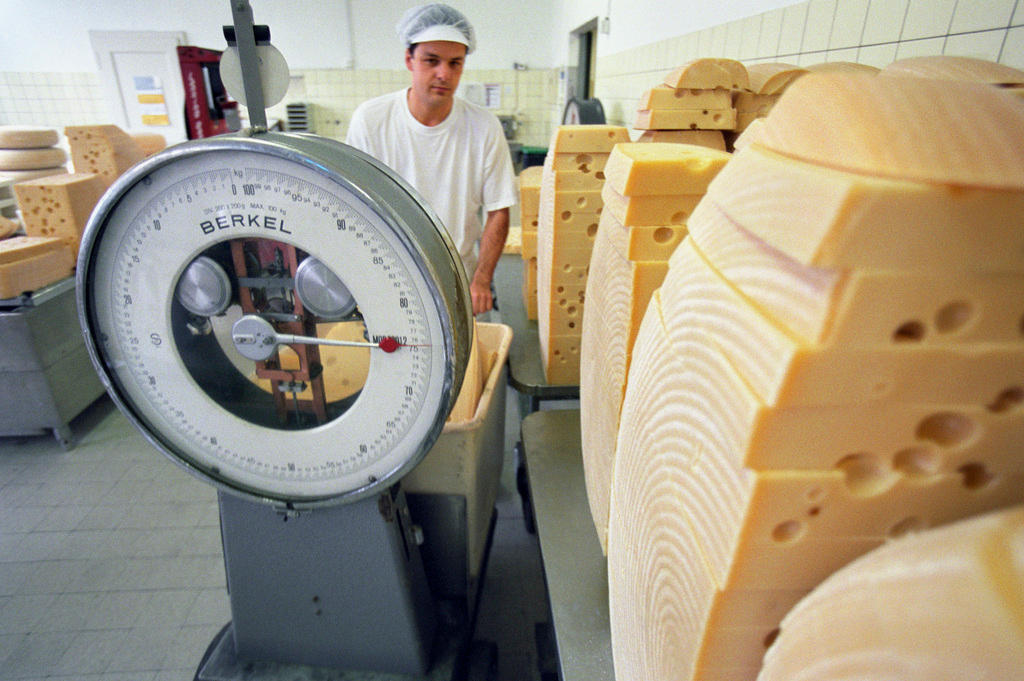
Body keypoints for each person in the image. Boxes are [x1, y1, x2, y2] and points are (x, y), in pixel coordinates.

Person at [345, 3, 517, 316]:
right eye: (432, 61)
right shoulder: (371, 121)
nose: (444, 74)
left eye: (455, 63)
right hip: (387, 280)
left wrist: (480, 280)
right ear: (409, 59)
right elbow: (354, 207)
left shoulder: (483, 127)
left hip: (456, 281)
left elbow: (499, 211)